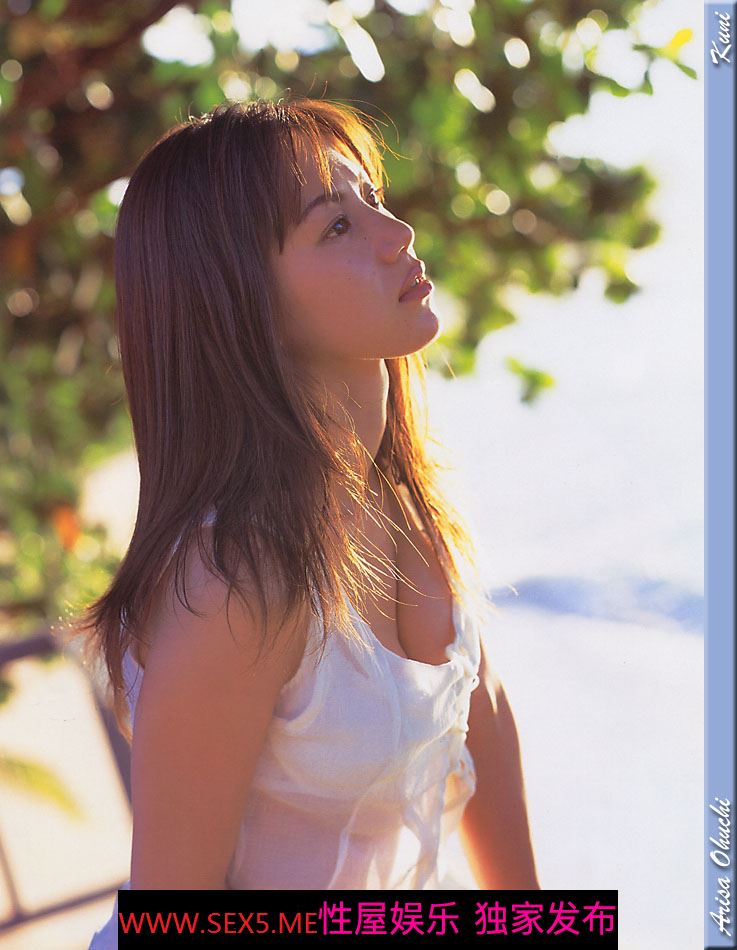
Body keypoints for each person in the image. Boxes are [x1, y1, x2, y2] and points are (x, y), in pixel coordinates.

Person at [83, 96, 538, 945]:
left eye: (372, 198)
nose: (396, 233)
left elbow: (478, 716)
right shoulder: (234, 583)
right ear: (239, 302)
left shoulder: (401, 499)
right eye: (335, 226)